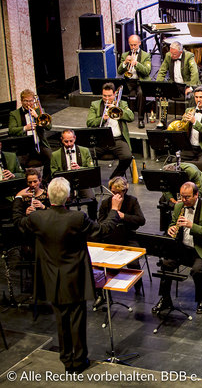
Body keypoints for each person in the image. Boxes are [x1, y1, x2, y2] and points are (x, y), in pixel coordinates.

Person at [15, 177, 120, 373]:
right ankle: (79, 361)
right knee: (77, 319)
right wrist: (114, 210)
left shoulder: (38, 218)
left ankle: (66, 358)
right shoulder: (77, 218)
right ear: (68, 197)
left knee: (61, 318)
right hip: (75, 277)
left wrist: (18, 199)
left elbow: (18, 221)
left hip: (51, 277)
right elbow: (103, 230)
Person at [153, 182, 202, 315]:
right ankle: (165, 299)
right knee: (165, 265)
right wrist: (170, 229)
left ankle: (201, 299)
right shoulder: (179, 206)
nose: (183, 200)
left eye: (187, 197)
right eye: (181, 196)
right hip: (182, 248)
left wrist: (191, 225)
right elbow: (173, 223)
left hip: (201, 249)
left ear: (196, 195)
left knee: (197, 270)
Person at [94, 177, 146, 294]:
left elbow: (141, 220)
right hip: (110, 238)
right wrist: (112, 215)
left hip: (128, 237)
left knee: (134, 263)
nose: (115, 195)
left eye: (118, 192)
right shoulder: (106, 203)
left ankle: (138, 286)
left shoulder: (132, 201)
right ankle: (101, 293)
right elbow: (100, 224)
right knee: (99, 261)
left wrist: (124, 216)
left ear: (124, 191)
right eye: (113, 192)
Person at [85, 82, 134, 179]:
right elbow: (89, 122)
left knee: (127, 157)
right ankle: (91, 180)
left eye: (109, 96)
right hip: (101, 140)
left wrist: (118, 110)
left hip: (117, 140)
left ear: (115, 94)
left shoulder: (122, 103)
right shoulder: (95, 105)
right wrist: (103, 118)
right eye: (104, 96)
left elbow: (131, 117)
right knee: (85, 155)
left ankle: (114, 179)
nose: (107, 99)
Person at [50, 129, 97, 220]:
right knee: (62, 200)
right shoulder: (55, 155)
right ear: (61, 140)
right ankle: (65, 221)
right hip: (65, 183)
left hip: (82, 182)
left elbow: (91, 169)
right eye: (66, 141)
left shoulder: (85, 151)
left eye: (71, 141)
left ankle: (92, 221)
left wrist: (79, 168)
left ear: (74, 138)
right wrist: (66, 173)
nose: (69, 144)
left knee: (92, 199)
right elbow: (53, 173)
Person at [8, 89, 52, 180]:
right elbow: (11, 130)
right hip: (23, 146)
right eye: (26, 101)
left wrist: (37, 116)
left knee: (52, 157)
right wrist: (25, 128)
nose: (28, 103)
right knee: (19, 163)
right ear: (21, 101)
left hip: (40, 143)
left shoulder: (39, 111)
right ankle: (25, 182)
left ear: (34, 100)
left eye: (31, 101)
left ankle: (45, 180)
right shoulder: (14, 114)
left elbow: (49, 127)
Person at [158, 162, 202, 232]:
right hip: (179, 186)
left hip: (201, 186)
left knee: (197, 201)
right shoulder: (165, 172)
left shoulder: (192, 172)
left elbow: (198, 190)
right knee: (163, 199)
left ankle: (196, 226)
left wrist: (185, 200)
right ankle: (167, 229)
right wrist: (173, 200)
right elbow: (165, 188)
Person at [117, 34, 152, 128]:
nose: (133, 47)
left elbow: (146, 72)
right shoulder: (125, 55)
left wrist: (136, 64)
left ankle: (140, 119)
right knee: (119, 91)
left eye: (135, 45)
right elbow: (119, 71)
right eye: (131, 45)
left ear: (139, 43)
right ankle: (123, 115)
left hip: (140, 81)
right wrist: (124, 63)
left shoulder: (146, 55)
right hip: (129, 81)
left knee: (141, 93)